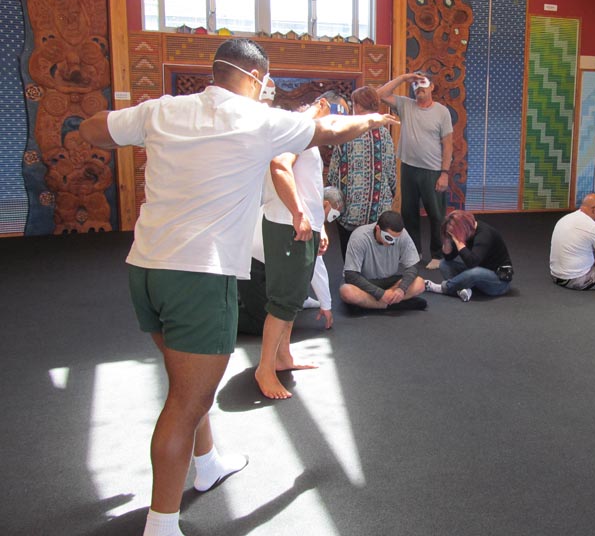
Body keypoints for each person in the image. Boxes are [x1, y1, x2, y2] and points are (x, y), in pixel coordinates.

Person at [77, 38, 399, 536]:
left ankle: (207, 464)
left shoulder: (163, 109)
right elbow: (334, 128)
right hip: (199, 278)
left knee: (187, 385)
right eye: (266, 82)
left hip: (145, 270)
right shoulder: (260, 120)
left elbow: (94, 128)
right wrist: (375, 121)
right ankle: (161, 525)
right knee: (184, 402)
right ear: (255, 78)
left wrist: (131, 122)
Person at [256, 94, 348, 400]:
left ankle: (283, 357)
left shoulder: (306, 134)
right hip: (287, 225)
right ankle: (265, 369)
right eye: (338, 116)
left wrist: (318, 224)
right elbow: (279, 166)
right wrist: (299, 215)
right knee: (283, 301)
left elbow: (308, 184)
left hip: (302, 225)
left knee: (293, 298)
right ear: (321, 105)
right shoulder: (297, 131)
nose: (339, 126)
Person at [237, 186, 344, 336]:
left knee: (296, 262)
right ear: (325, 204)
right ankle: (220, 320)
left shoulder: (297, 206)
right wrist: (326, 306)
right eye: (332, 215)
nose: (329, 221)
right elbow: (315, 264)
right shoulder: (305, 218)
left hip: (261, 261)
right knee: (262, 321)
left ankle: (301, 298)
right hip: (251, 264)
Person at [377, 72, 453, 270]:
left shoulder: (442, 112)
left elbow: (448, 145)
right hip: (409, 168)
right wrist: (403, 78)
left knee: (436, 215)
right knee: (409, 213)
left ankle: (437, 254)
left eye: (423, 84)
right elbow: (381, 94)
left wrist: (445, 173)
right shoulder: (405, 105)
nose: (419, 88)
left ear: (432, 87)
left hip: (433, 171)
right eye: (416, 84)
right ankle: (414, 252)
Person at [328, 85, 397, 258]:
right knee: (375, 257)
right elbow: (390, 173)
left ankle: (352, 281)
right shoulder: (384, 134)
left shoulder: (346, 132)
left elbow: (334, 174)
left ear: (358, 106)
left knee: (351, 258)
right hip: (378, 211)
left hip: (350, 212)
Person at [339, 210, 427, 311]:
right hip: (365, 281)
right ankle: (394, 305)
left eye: (396, 239)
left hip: (388, 281)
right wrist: (380, 293)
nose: (392, 243)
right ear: (378, 229)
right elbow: (351, 275)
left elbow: (413, 266)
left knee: (420, 283)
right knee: (347, 292)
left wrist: (401, 289)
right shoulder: (359, 237)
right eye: (389, 238)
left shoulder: (402, 235)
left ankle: (372, 304)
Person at [423, 210, 513, 302]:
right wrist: (447, 239)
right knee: (444, 264)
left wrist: (459, 242)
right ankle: (465, 289)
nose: (454, 237)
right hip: (478, 277)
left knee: (475, 272)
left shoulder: (484, 235)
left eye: (455, 234)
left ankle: (443, 288)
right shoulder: (466, 233)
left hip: (498, 282)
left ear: (464, 229)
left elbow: (472, 263)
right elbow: (448, 257)